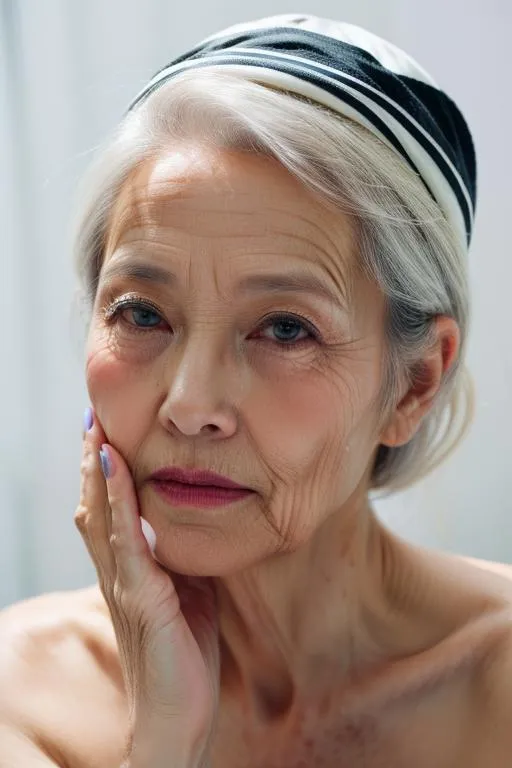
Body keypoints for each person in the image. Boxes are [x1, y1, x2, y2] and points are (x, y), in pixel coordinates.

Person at [1, 13, 511, 768]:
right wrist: (163, 743)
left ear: (415, 382)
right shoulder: (25, 690)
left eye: (284, 330)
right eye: (141, 313)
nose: (191, 404)